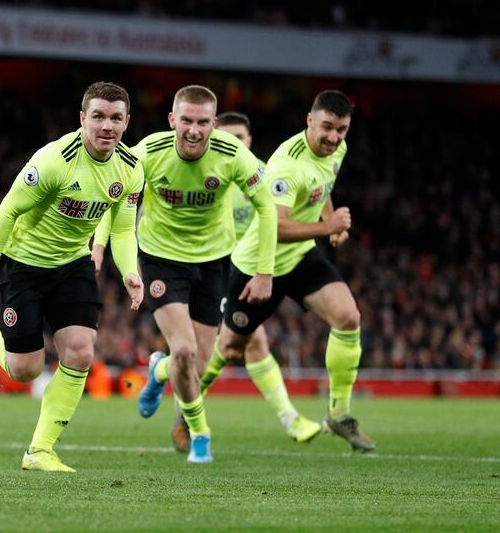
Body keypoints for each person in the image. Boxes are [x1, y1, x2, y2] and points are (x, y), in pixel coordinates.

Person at [0, 81, 145, 472]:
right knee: (26, 370)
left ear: (127, 122)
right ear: (82, 119)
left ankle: (40, 450)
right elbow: (8, 211)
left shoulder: (131, 168)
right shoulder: (54, 161)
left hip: (72, 263)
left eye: (116, 118)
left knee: (81, 351)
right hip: (23, 264)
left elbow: (122, 229)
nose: (107, 126)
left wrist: (129, 270)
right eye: (98, 116)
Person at [94, 86, 276, 463]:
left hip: (214, 261)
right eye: (187, 121)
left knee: (199, 365)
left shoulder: (232, 154)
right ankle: (200, 435)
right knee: (184, 349)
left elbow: (267, 208)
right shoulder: (147, 153)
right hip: (161, 258)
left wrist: (264, 271)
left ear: (215, 124)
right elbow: (114, 196)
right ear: (172, 120)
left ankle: (159, 371)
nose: (194, 130)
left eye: (203, 122)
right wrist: (99, 245)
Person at [215, 91, 375, 452]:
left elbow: (322, 186)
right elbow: (276, 225)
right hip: (256, 263)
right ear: (309, 120)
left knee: (348, 317)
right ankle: (187, 401)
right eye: (327, 127)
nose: (334, 137)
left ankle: (339, 414)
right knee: (230, 347)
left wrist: (329, 222)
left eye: (342, 129)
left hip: (299, 256)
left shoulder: (336, 150)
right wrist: (328, 226)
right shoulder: (285, 165)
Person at [166, 112, 322, 452]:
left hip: (246, 271)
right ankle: (285, 418)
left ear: (249, 142)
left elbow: (278, 220)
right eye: (226, 137)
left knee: (244, 345)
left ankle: (187, 413)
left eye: (239, 137)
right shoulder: (203, 174)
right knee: (239, 345)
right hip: (211, 269)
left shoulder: (265, 177)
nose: (233, 143)